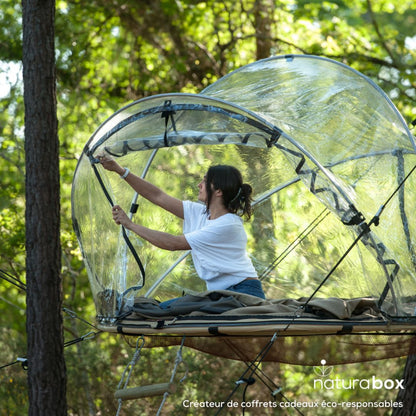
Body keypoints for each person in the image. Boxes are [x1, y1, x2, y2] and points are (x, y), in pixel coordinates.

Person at [98, 154, 266, 300]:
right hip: (222, 294)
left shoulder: (228, 224)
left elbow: (173, 243)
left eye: (205, 181)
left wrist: (130, 225)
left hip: (243, 293)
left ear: (219, 191)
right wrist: (120, 170)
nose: (199, 185)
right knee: (167, 309)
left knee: (168, 311)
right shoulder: (201, 213)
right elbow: (158, 196)